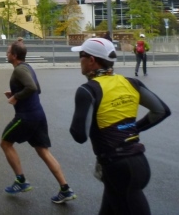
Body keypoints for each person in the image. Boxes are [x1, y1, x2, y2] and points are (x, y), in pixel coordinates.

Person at [70, 37, 170, 214]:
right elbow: (161, 111)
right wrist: (132, 128)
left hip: (118, 169)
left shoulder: (88, 90)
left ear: (91, 60)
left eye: (81, 56)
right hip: (137, 162)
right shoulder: (131, 83)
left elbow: (79, 135)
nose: (79, 60)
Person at [1, 41, 76, 204]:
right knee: (43, 151)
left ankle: (21, 180)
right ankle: (65, 189)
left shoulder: (19, 70)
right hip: (38, 115)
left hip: (26, 117)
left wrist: (16, 97)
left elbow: (32, 88)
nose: (6, 54)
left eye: (8, 52)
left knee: (5, 143)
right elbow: (37, 88)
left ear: (14, 55)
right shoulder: (27, 67)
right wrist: (15, 92)